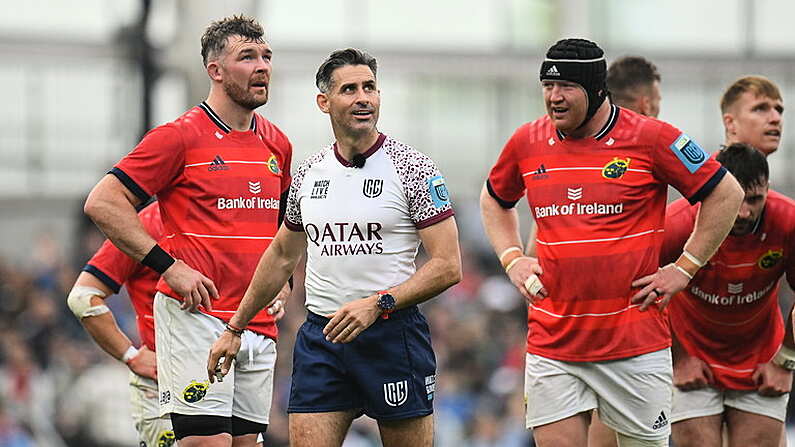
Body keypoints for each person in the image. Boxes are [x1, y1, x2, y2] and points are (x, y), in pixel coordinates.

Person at [480, 38, 743, 447]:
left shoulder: (653, 138)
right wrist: (513, 258)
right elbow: (494, 200)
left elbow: (726, 193)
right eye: (547, 86)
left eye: (566, 86)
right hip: (554, 343)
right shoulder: (527, 141)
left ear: (596, 87)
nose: (554, 97)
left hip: (635, 346)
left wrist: (685, 267)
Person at [208, 48, 462, 447]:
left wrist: (377, 303)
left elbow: (448, 266)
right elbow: (280, 256)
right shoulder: (310, 172)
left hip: (392, 336)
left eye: (370, 88)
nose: (363, 98)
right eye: (349, 89)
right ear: (324, 102)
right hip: (322, 338)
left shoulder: (414, 168)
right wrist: (235, 327)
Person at [83, 15, 293, 447]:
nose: (262, 66)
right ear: (215, 70)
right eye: (247, 57)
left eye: (266, 56)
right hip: (196, 319)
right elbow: (103, 201)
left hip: (254, 323)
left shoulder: (278, 144)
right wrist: (169, 267)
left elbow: (283, 224)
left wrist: (285, 282)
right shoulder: (178, 137)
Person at [665, 145, 795, 447]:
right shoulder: (679, 222)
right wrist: (678, 357)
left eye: (754, 199)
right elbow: (641, 291)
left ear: (768, 190)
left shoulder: (788, 221)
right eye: (735, 198)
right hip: (693, 361)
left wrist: (786, 359)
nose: (744, 212)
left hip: (762, 364)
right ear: (714, 190)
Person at [66, 202, 174, 446]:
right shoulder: (145, 225)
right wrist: (131, 355)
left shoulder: (234, 213)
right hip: (165, 383)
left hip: (231, 376)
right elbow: (83, 297)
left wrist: (277, 292)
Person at [720, 75, 784, 156]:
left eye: (779, 110)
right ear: (730, 123)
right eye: (760, 109)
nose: (776, 118)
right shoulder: (709, 168)